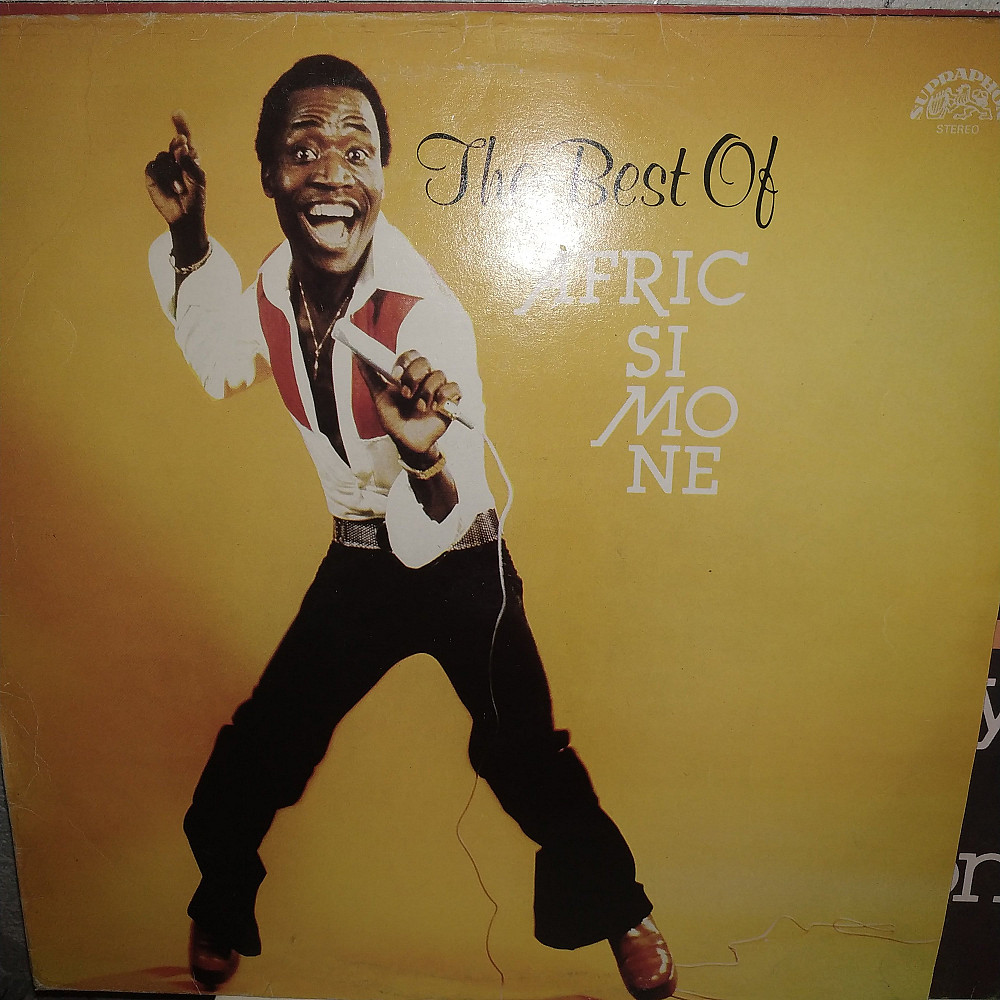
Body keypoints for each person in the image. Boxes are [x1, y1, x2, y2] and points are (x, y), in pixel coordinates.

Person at [145, 54, 677, 1000]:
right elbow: (224, 363)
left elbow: (454, 503)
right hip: (359, 562)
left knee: (524, 754)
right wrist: (189, 232)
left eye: (357, 151)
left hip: (461, 560)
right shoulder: (272, 285)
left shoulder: (427, 313)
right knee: (265, 744)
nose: (332, 173)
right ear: (267, 172)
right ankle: (222, 901)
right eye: (303, 150)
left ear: (382, 173)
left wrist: (425, 455)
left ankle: (622, 914)